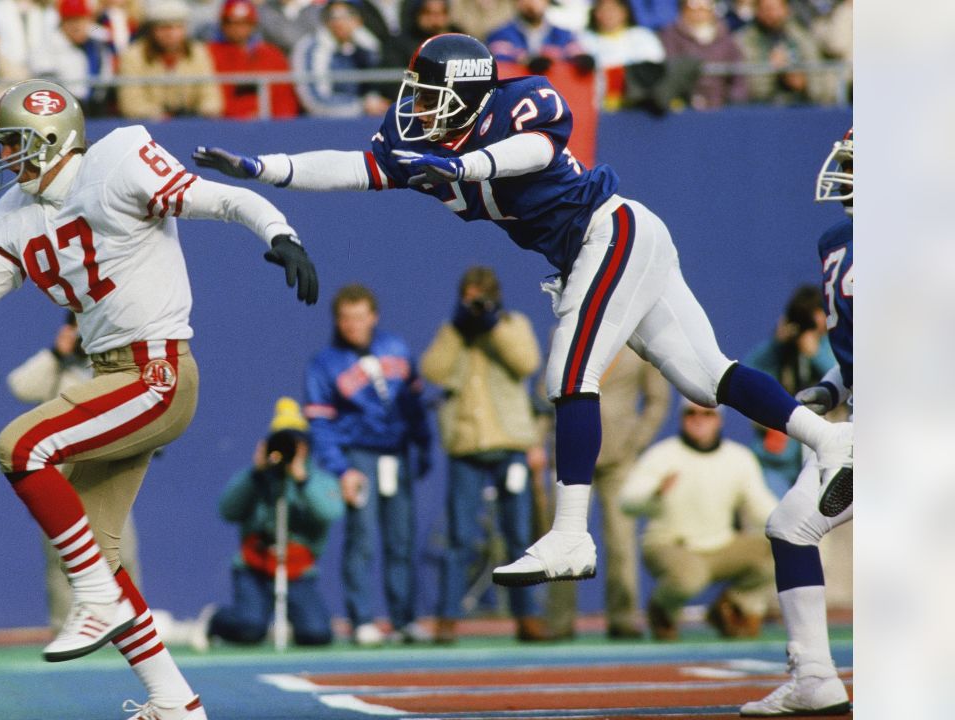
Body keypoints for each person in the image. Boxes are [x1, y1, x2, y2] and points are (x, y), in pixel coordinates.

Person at [190, 32, 852, 593]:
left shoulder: (520, 100)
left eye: (429, 94)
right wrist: (263, 166)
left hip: (611, 232)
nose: (416, 107)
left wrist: (461, 166)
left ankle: (571, 537)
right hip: (589, 252)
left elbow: (534, 150)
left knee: (568, 371)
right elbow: (354, 166)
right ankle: (830, 440)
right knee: (706, 378)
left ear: (467, 92)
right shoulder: (424, 135)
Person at [0, 78, 317, 719]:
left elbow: (221, 199)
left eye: (14, 142)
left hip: (157, 371)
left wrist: (279, 230)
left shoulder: (118, 158)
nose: (6, 156)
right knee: (97, 553)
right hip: (111, 375)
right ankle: (175, 699)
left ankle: (98, 596)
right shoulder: (11, 212)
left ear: (51, 138)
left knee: (19, 447)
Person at [739, 129, 853, 717]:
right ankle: (814, 677)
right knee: (790, 525)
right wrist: (834, 386)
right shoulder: (842, 240)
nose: (844, 176)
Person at [419, 266, 547, 643]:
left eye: (481, 298)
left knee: (518, 533)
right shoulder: (454, 332)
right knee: (459, 536)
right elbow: (432, 370)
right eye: (469, 299)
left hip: (510, 443)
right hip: (466, 446)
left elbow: (527, 363)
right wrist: (458, 330)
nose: (474, 306)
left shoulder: (513, 324)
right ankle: (447, 618)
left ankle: (527, 616)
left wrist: (493, 325)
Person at [303, 284, 432, 646]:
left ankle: (404, 618)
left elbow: (414, 404)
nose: (353, 325)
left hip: (397, 453)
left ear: (373, 316)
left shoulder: (396, 348)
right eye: (346, 318)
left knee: (401, 537)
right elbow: (320, 423)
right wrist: (341, 468)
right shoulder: (324, 364)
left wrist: (423, 445)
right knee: (362, 538)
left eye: (359, 316)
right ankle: (362, 618)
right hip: (358, 454)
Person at [6, 312, 143, 632]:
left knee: (122, 551)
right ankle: (65, 627)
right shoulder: (57, 370)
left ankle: (131, 626)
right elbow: (19, 386)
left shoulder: (116, 368)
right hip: (62, 478)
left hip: (107, 475)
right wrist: (56, 354)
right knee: (63, 556)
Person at [619, 400, 777, 640]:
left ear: (719, 420)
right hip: (670, 544)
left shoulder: (739, 458)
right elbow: (627, 502)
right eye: (690, 413)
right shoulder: (662, 455)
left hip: (722, 544)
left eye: (707, 414)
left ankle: (732, 606)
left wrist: (794, 528)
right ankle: (662, 609)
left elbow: (762, 507)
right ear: (681, 418)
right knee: (691, 576)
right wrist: (656, 493)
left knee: (778, 552)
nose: (698, 419)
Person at [544, 346, 670, 639]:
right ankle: (559, 621)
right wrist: (546, 439)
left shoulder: (639, 341)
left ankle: (623, 617)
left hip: (619, 456)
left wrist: (635, 441)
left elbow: (658, 399)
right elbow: (545, 391)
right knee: (564, 537)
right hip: (571, 451)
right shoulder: (568, 331)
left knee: (621, 539)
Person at [199, 398, 345, 647]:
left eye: (296, 443)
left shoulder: (318, 480)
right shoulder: (256, 478)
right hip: (255, 568)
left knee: (316, 634)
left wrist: (302, 481)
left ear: (307, 447)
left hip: (298, 571)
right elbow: (227, 511)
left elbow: (330, 512)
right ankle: (216, 619)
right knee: (249, 628)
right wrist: (255, 475)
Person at [743, 285, 836, 497]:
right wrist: (776, 345)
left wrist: (815, 353)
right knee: (773, 503)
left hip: (822, 451)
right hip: (779, 456)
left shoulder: (832, 345)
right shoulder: (777, 352)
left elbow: (844, 380)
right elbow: (747, 374)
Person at [117, 0, 223, 119]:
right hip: (150, 125)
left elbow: (211, 97)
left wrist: (203, 112)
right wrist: (158, 114)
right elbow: (131, 103)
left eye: (177, 27)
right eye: (164, 28)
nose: (171, 34)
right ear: (152, 30)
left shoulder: (197, 52)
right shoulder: (134, 55)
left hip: (190, 123)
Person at [289, 0, 390, 118]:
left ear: (359, 20)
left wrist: (374, 102)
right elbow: (315, 101)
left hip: (361, 121)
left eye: (348, 15)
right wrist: (361, 106)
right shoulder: (312, 47)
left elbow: (375, 86)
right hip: (322, 125)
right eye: (334, 16)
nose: (340, 22)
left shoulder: (368, 45)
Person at [207, 0, 301, 120]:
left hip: (271, 127)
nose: (238, 28)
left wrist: (274, 121)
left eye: (244, 23)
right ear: (222, 24)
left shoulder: (272, 54)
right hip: (227, 127)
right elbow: (212, 100)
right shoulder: (209, 54)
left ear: (253, 24)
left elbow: (285, 99)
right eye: (231, 22)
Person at [733, 0, 836, 106]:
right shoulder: (745, 40)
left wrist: (804, 83)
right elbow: (747, 88)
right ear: (757, 10)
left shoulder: (802, 36)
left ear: (786, 9)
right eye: (767, 9)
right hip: (760, 109)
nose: (772, 14)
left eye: (776, 8)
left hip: (803, 107)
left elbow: (820, 80)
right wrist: (772, 70)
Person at [657, 0, 748, 110]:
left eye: (705, 6)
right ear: (684, 10)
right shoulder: (670, 35)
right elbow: (670, 70)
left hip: (721, 106)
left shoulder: (726, 36)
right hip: (684, 106)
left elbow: (738, 74)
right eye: (694, 6)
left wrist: (735, 102)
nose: (700, 11)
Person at [486, 0, 593, 75]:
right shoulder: (500, 34)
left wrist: (582, 59)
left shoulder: (562, 34)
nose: (532, 3)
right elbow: (499, 57)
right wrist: (527, 61)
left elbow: (577, 53)